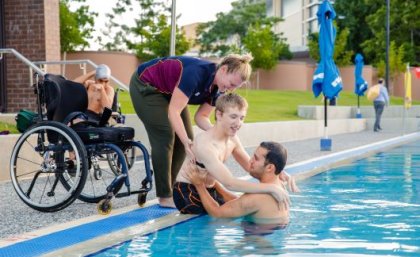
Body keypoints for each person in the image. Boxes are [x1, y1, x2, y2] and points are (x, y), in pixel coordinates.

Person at [129, 54, 253, 208]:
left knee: (187, 139)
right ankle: (164, 195)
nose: (231, 89)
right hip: (147, 85)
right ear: (223, 69)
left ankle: (174, 188)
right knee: (166, 136)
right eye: (231, 83)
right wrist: (186, 141)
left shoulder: (219, 89)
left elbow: (201, 117)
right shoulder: (195, 73)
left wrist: (220, 132)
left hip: (169, 91)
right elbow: (173, 112)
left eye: (236, 87)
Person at [173, 93, 297, 214]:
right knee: (215, 218)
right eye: (233, 117)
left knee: (244, 207)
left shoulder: (233, 139)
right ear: (219, 114)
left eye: (241, 118)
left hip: (210, 188)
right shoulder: (205, 144)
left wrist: (278, 172)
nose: (238, 123)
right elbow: (229, 183)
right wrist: (271, 188)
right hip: (187, 192)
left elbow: (250, 166)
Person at [187, 141, 290, 226]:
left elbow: (216, 212)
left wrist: (199, 184)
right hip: (268, 236)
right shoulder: (279, 187)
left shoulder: (255, 198)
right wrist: (215, 184)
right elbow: (240, 203)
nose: (250, 161)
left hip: (255, 243)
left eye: (256, 158)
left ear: (270, 168)